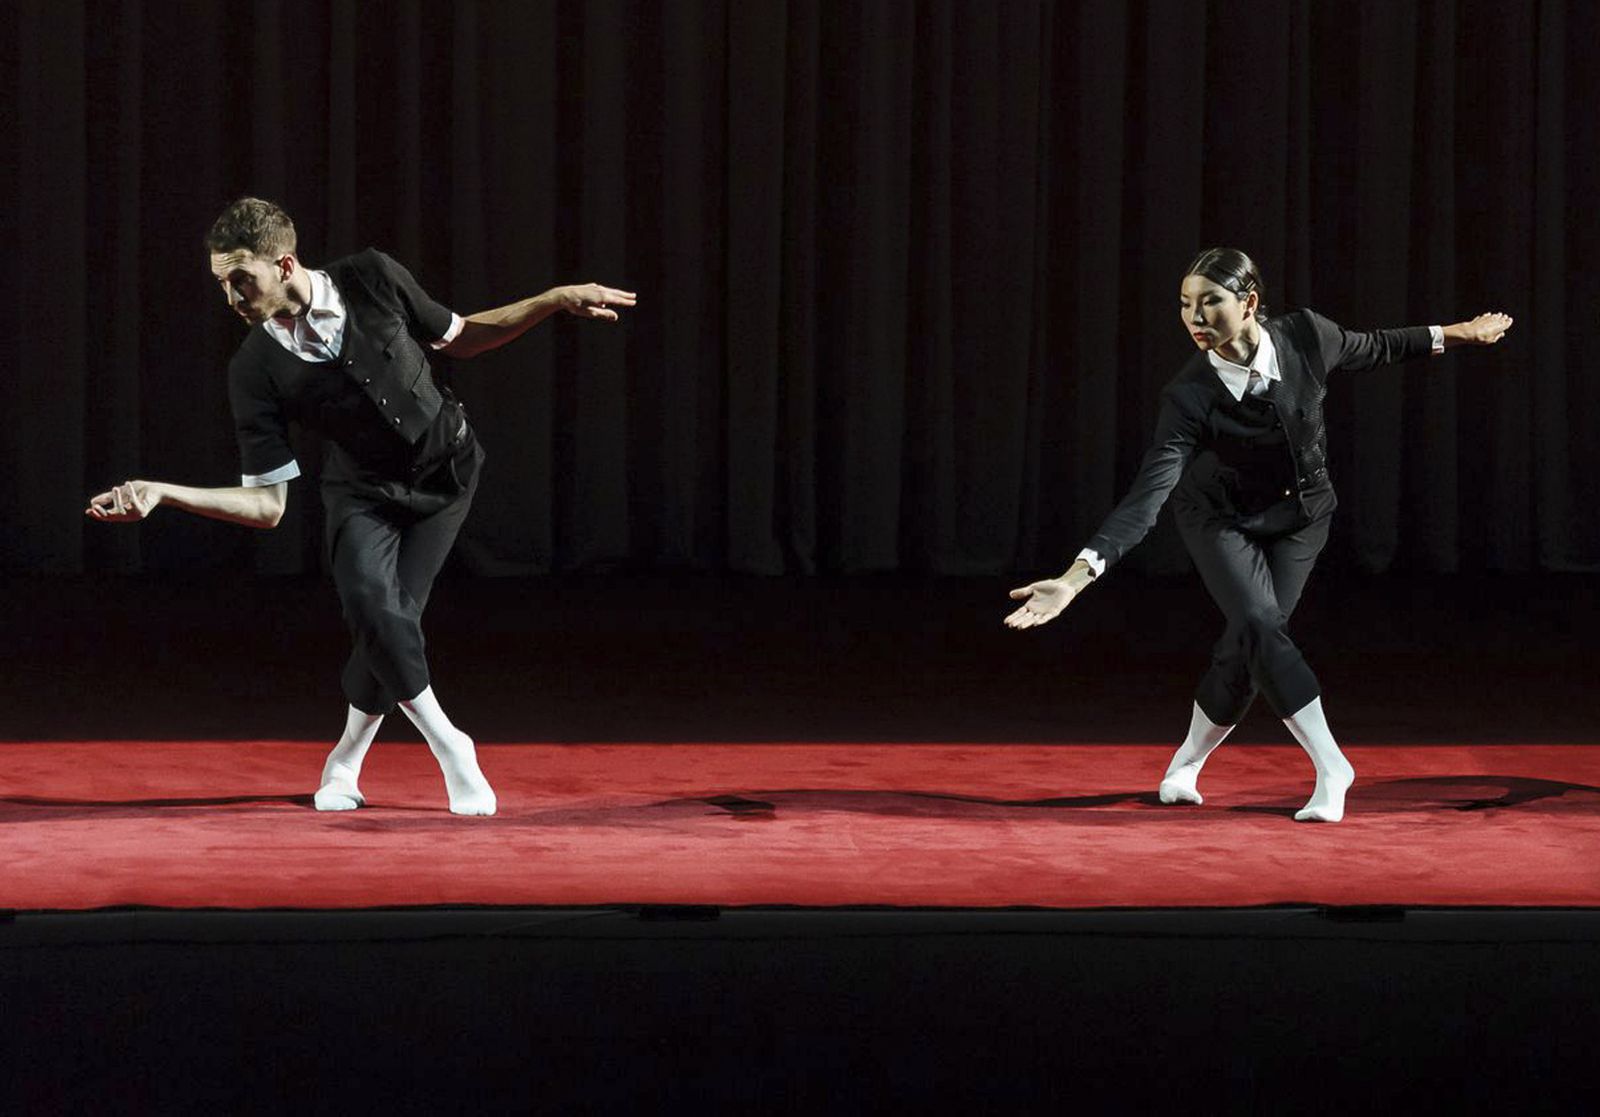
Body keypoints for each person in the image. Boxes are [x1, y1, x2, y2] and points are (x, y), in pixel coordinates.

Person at [87, 197, 636, 817]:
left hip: (446, 478)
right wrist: (164, 493)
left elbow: (462, 336)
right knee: (376, 607)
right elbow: (268, 506)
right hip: (362, 494)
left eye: (242, 280)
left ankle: (344, 758)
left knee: (390, 621)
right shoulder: (254, 368)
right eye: (222, 284)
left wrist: (553, 299)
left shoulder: (371, 275)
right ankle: (452, 746)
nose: (232, 297)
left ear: (285, 263)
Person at [1004, 247, 1511, 822]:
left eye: (1209, 302)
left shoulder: (1307, 336)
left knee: (1250, 644)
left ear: (1248, 303)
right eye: (1185, 305)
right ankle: (1332, 765)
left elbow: (1379, 346)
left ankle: (1185, 764)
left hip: (1302, 518)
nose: (1194, 318)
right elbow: (1148, 493)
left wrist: (1459, 334)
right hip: (1220, 520)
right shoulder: (1189, 395)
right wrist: (1076, 578)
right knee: (1259, 624)